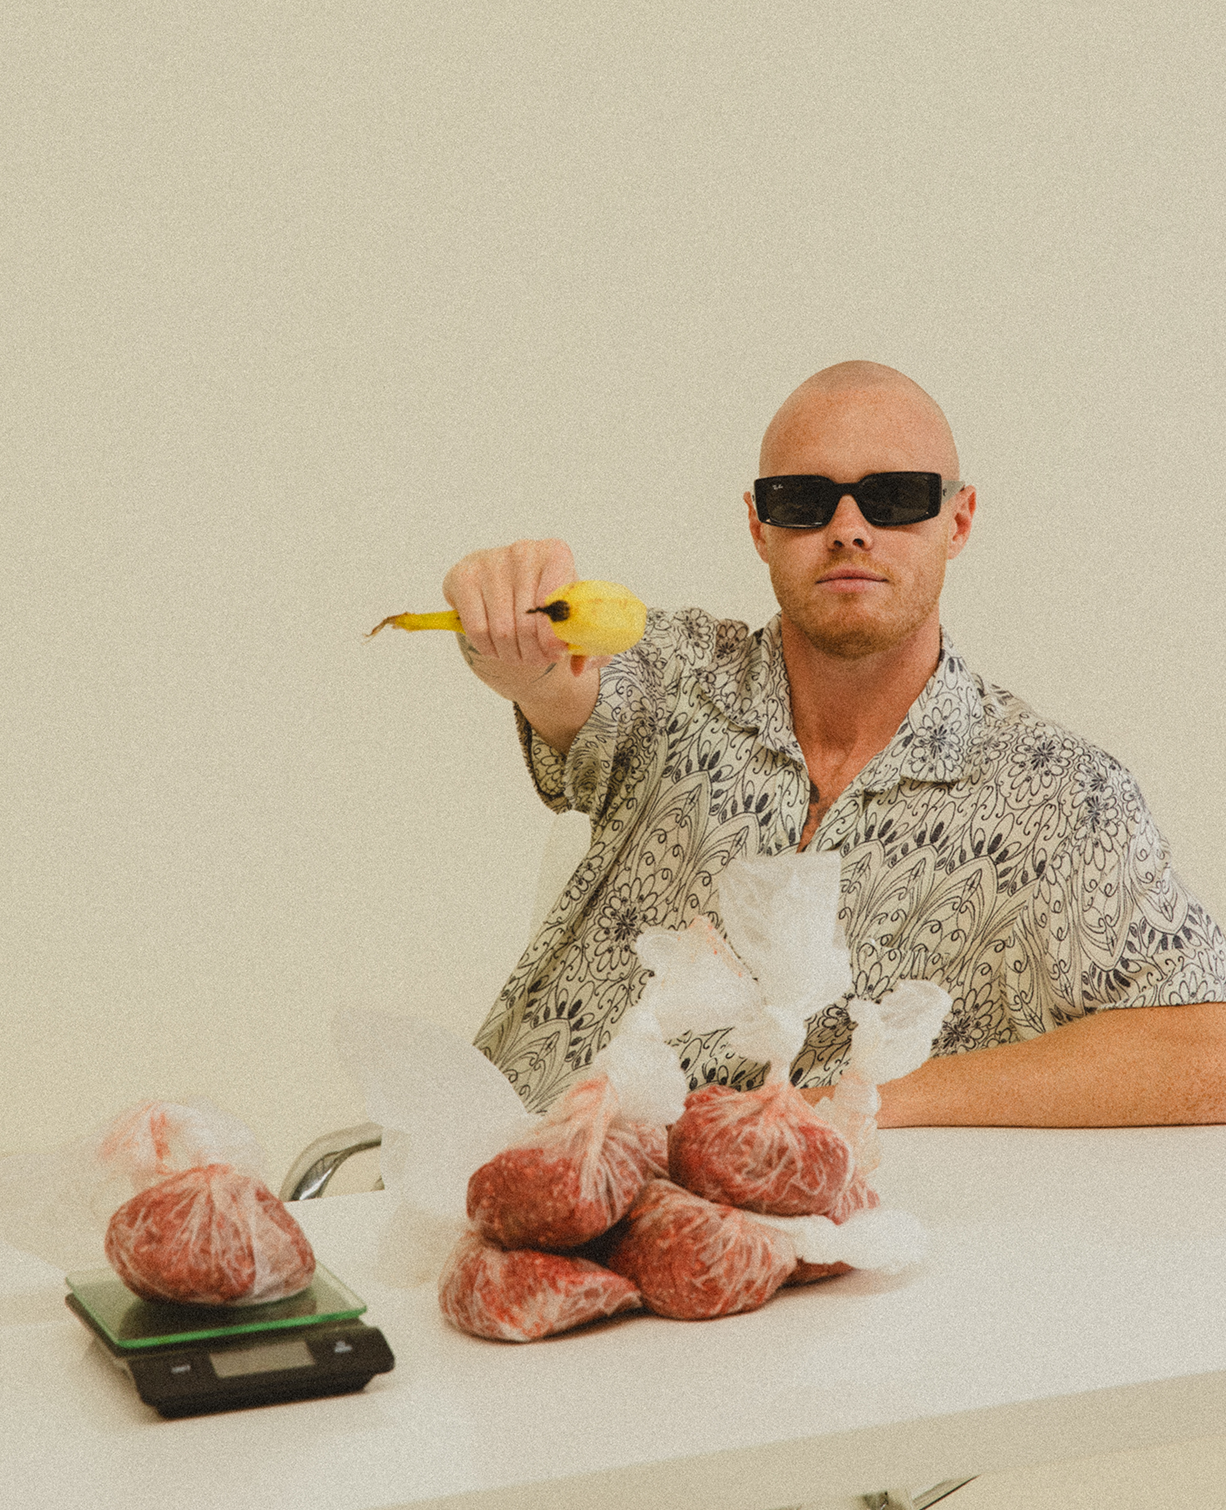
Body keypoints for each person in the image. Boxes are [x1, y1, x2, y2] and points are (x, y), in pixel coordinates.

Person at [441, 361, 1226, 1127]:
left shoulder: (1057, 796)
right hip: (505, 1175)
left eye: (893, 497)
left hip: (787, 1234)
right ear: (759, 525)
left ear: (958, 520)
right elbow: (560, 683)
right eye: (804, 501)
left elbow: (1208, 1049)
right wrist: (505, 635)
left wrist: (863, 1101)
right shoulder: (677, 677)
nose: (850, 530)